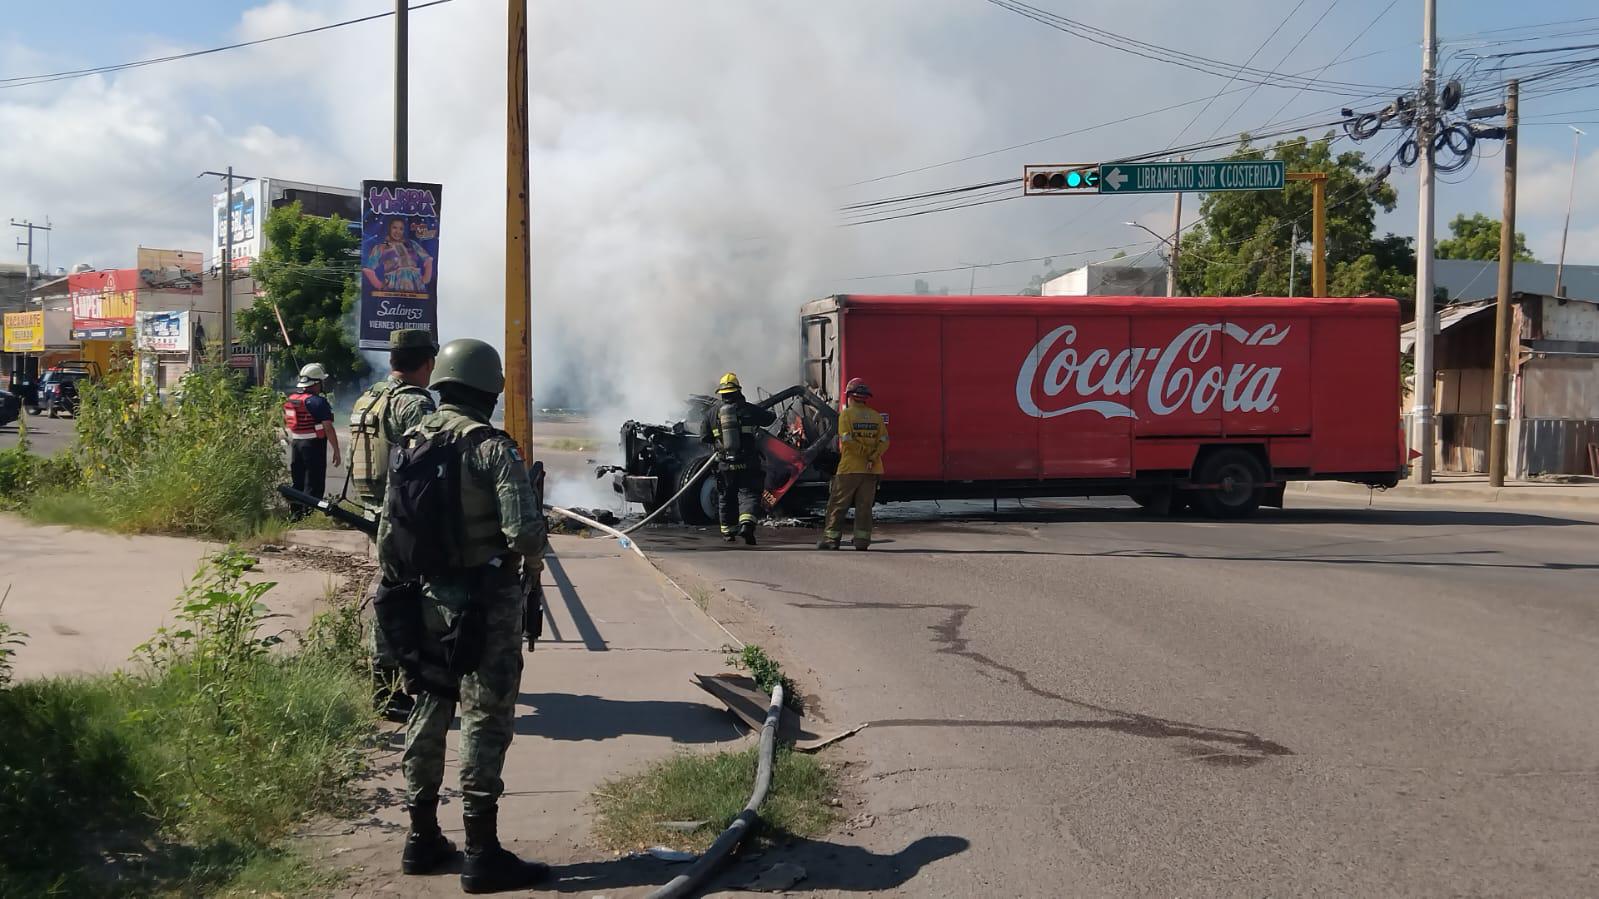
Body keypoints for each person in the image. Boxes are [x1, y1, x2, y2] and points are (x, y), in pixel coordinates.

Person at [377, 338, 550, 892]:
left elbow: (388, 535)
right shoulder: (492, 448)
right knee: (484, 717)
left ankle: (421, 838)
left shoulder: (412, 439)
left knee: (428, 705)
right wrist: (531, 559)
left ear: (443, 384)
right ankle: (481, 853)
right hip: (485, 603)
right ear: (490, 391)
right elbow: (524, 532)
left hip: (423, 597)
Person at [349, 329, 438, 721]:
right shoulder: (413, 404)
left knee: (393, 593)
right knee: (401, 598)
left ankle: (396, 683)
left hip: (375, 509)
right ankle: (391, 691)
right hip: (401, 516)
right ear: (428, 364)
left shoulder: (373, 395)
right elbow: (432, 464)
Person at [704, 372, 776, 546]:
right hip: (748, 462)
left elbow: (704, 437)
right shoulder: (748, 409)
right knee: (749, 495)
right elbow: (770, 418)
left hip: (725, 464)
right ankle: (747, 526)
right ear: (737, 390)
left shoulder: (712, 413)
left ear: (721, 392)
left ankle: (728, 533)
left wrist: (717, 445)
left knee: (726, 497)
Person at [818, 378, 889, 551]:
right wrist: (873, 455)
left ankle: (831, 540)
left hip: (850, 469)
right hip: (872, 469)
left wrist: (864, 452)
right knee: (864, 507)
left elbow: (847, 440)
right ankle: (862, 541)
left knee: (838, 504)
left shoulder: (847, 415)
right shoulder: (875, 416)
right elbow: (885, 440)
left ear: (850, 396)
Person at [284, 362, 341, 518]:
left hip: (296, 445)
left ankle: (295, 515)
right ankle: (308, 514)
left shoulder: (292, 399)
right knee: (313, 482)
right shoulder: (318, 402)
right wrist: (336, 450)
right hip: (313, 446)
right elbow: (328, 428)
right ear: (316, 383)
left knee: (298, 481)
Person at [363, 217, 434, 293]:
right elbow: (368, 269)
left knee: (413, 305)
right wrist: (379, 285)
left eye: (401, 229)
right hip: (393, 287)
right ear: (389, 228)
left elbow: (428, 259)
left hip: (416, 286)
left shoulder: (412, 244)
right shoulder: (381, 247)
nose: (398, 231)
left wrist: (426, 278)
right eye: (394, 228)